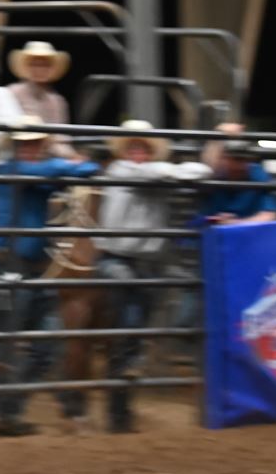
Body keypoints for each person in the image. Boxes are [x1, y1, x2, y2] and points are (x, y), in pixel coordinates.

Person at [84, 121, 212, 434]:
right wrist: (173, 172)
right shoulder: (121, 171)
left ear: (151, 153)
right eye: (133, 147)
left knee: (139, 321)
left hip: (146, 264)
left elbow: (201, 173)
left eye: (143, 148)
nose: (137, 153)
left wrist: (172, 172)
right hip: (117, 259)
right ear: (125, 152)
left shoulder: (156, 175)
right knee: (129, 316)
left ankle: (124, 400)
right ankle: (129, 372)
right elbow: (191, 173)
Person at [0, 130, 100, 437]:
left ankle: (8, 406)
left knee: (46, 342)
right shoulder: (11, 169)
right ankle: (4, 410)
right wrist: (77, 163)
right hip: (9, 266)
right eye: (24, 143)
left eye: (35, 143)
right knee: (6, 342)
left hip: (32, 268)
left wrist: (73, 168)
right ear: (16, 146)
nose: (30, 148)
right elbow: (77, 170)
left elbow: (64, 175)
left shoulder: (33, 174)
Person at [0, 40, 72, 127]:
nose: (39, 69)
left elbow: (61, 135)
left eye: (45, 65)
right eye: (34, 64)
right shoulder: (11, 93)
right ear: (26, 66)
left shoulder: (57, 102)